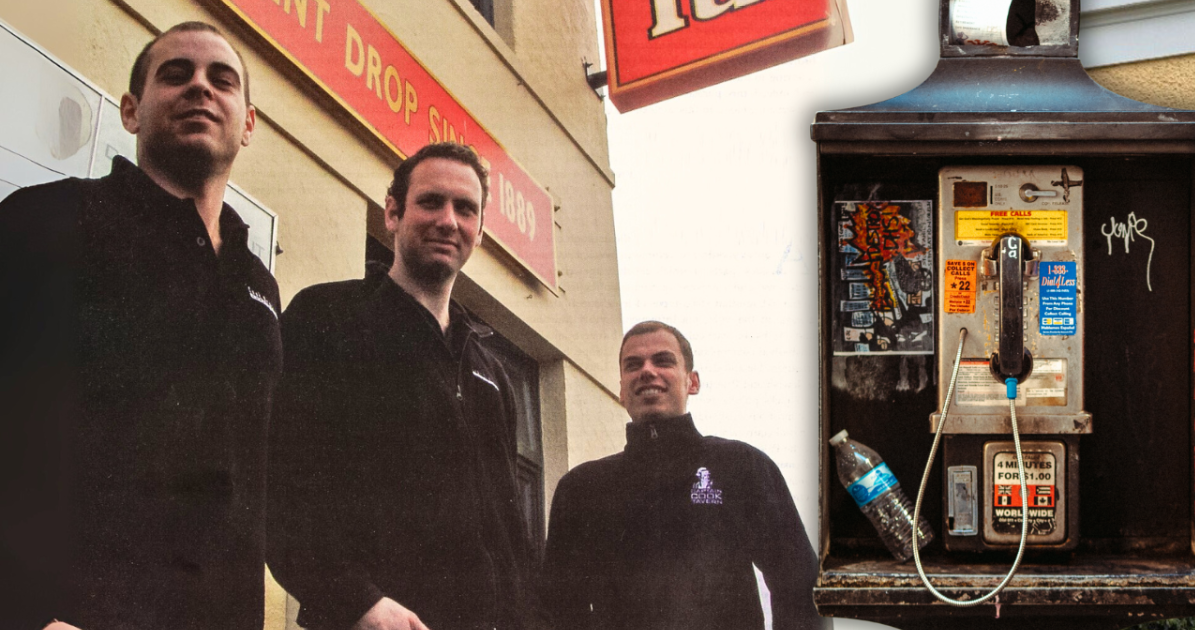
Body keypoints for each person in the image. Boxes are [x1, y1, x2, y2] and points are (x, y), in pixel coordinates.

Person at [0, 21, 278, 630]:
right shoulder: (46, 221)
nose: (200, 88)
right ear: (131, 111)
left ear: (249, 123)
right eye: (175, 74)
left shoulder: (258, 284)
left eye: (221, 80)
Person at [268, 143, 543, 630]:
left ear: (479, 231)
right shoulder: (327, 319)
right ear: (392, 212)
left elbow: (510, 535)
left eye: (465, 208)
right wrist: (357, 603)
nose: (448, 220)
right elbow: (278, 483)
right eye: (431, 202)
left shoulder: (492, 375)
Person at [540, 322, 820, 629]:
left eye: (663, 361)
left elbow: (800, 583)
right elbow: (559, 606)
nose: (647, 371)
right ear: (621, 390)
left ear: (692, 382)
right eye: (633, 365)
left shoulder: (742, 467)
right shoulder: (582, 488)